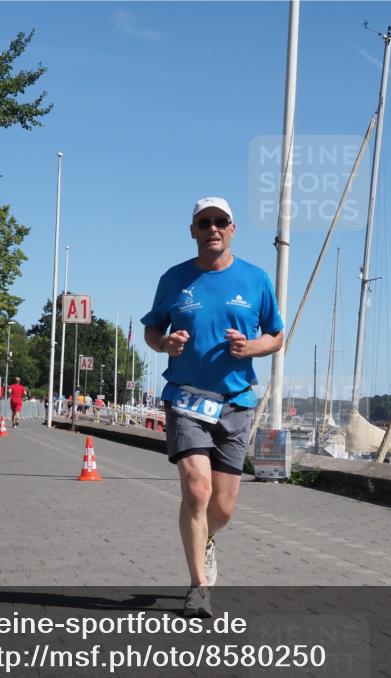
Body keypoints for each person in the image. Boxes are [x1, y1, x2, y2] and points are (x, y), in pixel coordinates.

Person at [142, 197, 284, 617]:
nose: (212, 229)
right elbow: (153, 328)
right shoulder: (174, 279)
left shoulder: (255, 279)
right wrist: (163, 343)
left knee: (222, 506)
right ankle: (198, 587)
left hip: (236, 402)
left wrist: (252, 347)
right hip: (186, 398)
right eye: (204, 223)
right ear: (193, 231)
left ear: (233, 228)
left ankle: (205, 537)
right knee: (196, 488)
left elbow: (276, 335)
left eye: (220, 222)